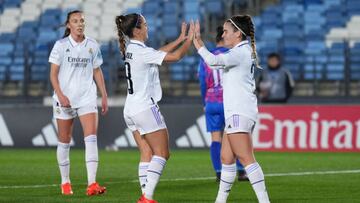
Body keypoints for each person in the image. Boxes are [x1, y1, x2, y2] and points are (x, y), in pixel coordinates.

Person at [115, 13, 194, 203]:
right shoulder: (141, 51)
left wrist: (178, 39)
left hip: (130, 109)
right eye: (145, 24)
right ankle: (147, 197)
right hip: (144, 108)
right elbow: (174, 57)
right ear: (137, 30)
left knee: (146, 153)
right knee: (163, 153)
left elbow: (157, 54)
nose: (148, 27)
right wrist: (190, 40)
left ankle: (145, 194)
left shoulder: (133, 49)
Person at [193, 15, 270, 203]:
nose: (223, 34)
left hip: (239, 111)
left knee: (245, 158)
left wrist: (198, 43)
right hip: (239, 111)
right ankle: (220, 200)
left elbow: (212, 61)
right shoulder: (243, 50)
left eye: (227, 31)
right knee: (226, 157)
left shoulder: (239, 52)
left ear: (238, 34)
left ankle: (264, 200)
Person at [49, 10, 108, 196]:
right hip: (64, 98)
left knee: (91, 139)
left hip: (87, 97)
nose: (80, 24)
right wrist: (60, 95)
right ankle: (65, 182)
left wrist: (104, 95)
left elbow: (97, 71)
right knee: (64, 141)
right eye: (75, 21)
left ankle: (92, 184)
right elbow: (53, 74)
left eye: (82, 20)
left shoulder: (92, 45)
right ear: (69, 25)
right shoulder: (60, 45)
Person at [197, 25, 247, 182]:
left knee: (215, 138)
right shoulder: (233, 54)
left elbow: (202, 82)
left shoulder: (207, 57)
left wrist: (205, 100)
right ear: (224, 38)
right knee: (236, 136)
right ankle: (241, 170)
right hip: (229, 101)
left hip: (211, 101)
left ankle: (219, 172)